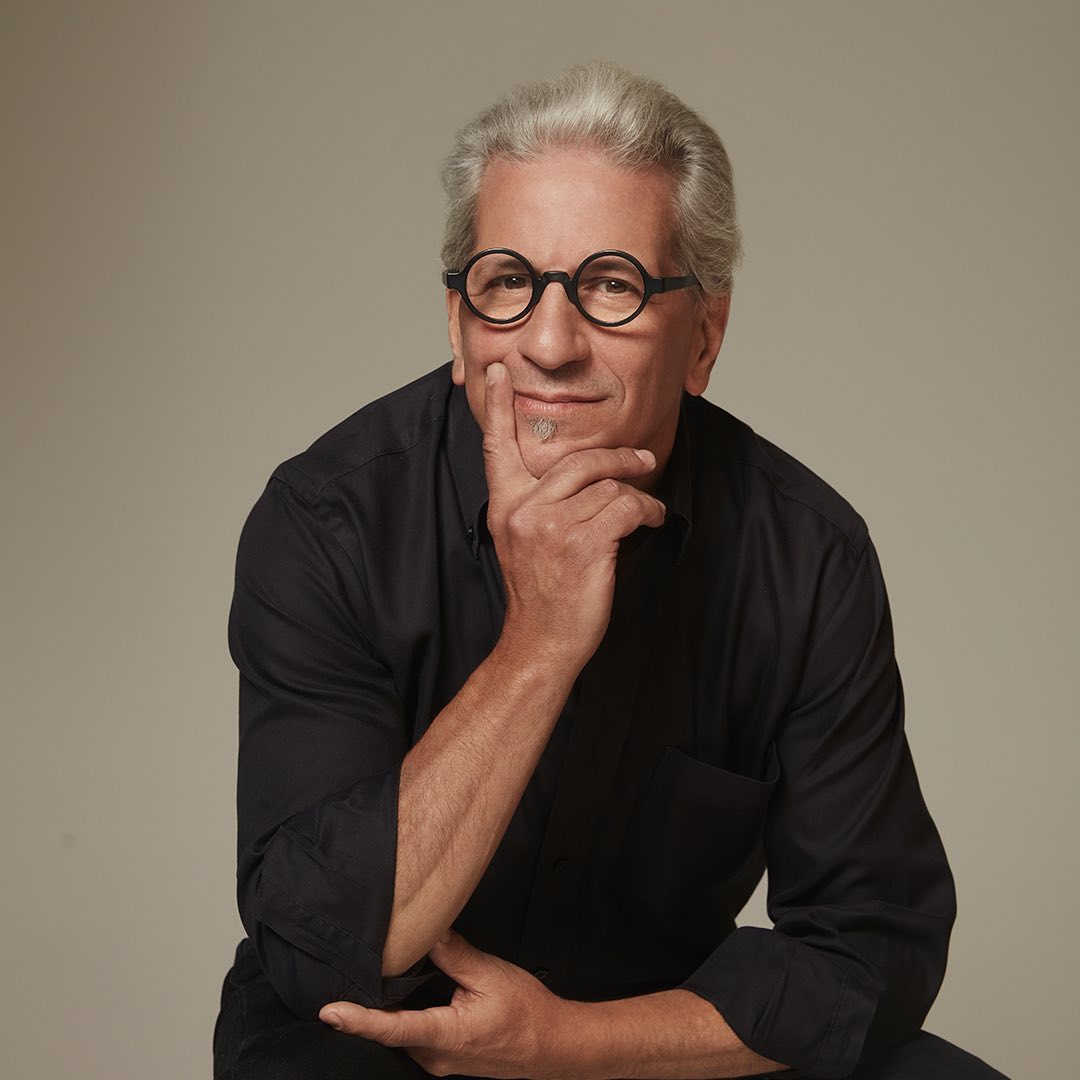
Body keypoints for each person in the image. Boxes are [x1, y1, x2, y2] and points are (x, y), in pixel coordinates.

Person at [213, 61, 1007, 1079]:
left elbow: (869, 948)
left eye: (611, 285)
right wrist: (538, 646)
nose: (550, 343)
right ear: (457, 324)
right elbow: (325, 945)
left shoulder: (806, 555)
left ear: (704, 337)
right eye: (508, 282)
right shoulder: (329, 521)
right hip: (386, 1033)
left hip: (644, 1037)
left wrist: (566, 1047)